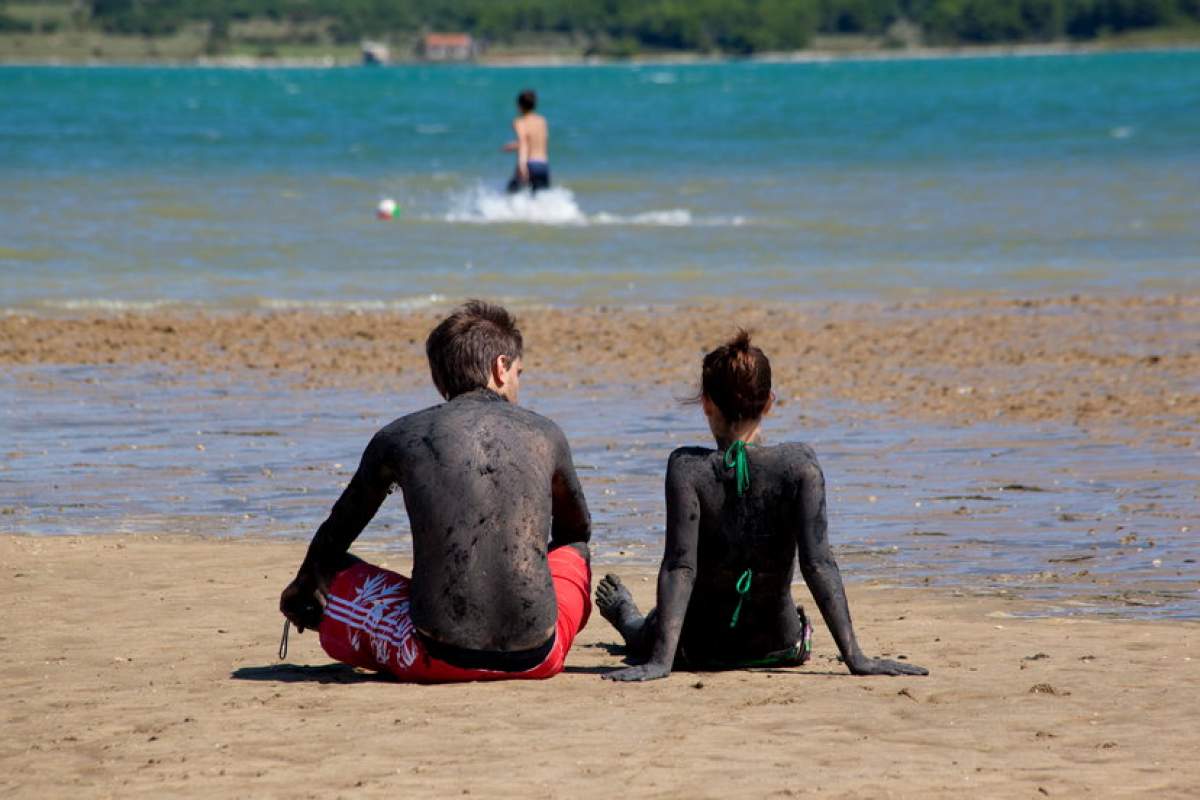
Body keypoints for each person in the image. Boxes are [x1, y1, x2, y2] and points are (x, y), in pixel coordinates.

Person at [279, 300, 592, 682]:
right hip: (539, 658)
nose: (517, 385)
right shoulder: (547, 434)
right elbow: (577, 532)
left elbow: (336, 535)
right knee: (574, 552)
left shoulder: (401, 435)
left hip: (435, 658)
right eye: (518, 374)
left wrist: (300, 591)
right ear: (500, 367)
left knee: (330, 567)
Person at [595, 331, 928, 681]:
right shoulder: (800, 465)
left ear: (706, 403)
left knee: (648, 626)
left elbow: (681, 567)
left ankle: (628, 619)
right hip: (781, 646)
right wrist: (855, 658)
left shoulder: (687, 468)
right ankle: (635, 621)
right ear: (769, 403)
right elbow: (819, 564)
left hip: (696, 648)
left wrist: (662, 662)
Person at [503, 89, 550, 193]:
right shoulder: (542, 121)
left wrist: (521, 166)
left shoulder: (519, 122)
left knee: (510, 193)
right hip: (543, 164)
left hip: (529, 164)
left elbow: (524, 143)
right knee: (540, 199)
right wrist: (515, 145)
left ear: (519, 105)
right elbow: (536, 141)